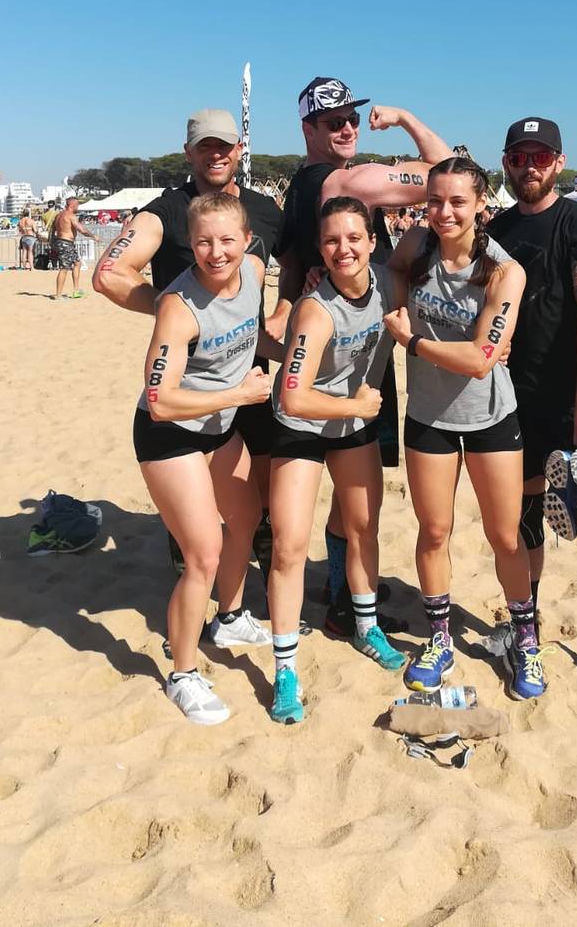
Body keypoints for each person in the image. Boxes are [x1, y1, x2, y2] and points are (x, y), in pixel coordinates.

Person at [93, 107, 287, 638]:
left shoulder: (264, 209)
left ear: (240, 149)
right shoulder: (166, 210)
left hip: (249, 375)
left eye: (225, 145)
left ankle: (237, 610)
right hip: (193, 385)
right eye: (205, 147)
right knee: (195, 537)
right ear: (189, 153)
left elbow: (291, 266)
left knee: (253, 511)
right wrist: (176, 310)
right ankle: (190, 622)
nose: (216, 154)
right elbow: (108, 274)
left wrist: (285, 313)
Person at [275, 75, 451, 634]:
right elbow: (449, 175)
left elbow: (288, 265)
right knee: (353, 491)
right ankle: (342, 598)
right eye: (334, 122)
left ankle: (340, 589)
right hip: (350, 344)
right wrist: (406, 119)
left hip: (336, 338)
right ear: (308, 129)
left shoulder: (299, 188)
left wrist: (287, 310)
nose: (349, 127)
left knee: (345, 489)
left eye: (352, 117)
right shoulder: (347, 181)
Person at [384, 157, 546, 701]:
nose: (444, 212)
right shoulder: (416, 246)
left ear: (481, 203)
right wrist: (395, 301)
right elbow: (387, 274)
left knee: (505, 535)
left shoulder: (503, 271)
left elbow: (480, 360)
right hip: (428, 415)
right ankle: (439, 639)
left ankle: (526, 640)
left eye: (457, 201)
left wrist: (412, 341)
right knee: (434, 532)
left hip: (489, 416)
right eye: (435, 201)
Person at [487, 116, 577, 704]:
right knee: (525, 518)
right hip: (513, 400)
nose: (530, 166)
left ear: (559, 162)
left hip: (575, 398)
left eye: (541, 157)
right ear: (506, 162)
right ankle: (526, 627)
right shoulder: (496, 230)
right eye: (520, 157)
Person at [135, 192, 282, 725]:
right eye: (203, 242)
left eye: (226, 240)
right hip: (170, 435)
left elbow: (251, 336)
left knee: (246, 518)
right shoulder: (178, 306)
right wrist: (238, 395)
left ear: (248, 241)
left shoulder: (255, 273)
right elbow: (160, 401)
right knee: (202, 553)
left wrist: (302, 356)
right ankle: (182, 674)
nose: (216, 252)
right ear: (189, 244)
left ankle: (230, 615)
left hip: (218, 428)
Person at [267, 197, 407, 724]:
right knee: (289, 547)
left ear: (373, 242)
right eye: (331, 240)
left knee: (363, 526)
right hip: (303, 425)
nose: (343, 249)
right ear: (319, 250)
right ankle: (285, 669)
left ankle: (366, 626)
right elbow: (292, 397)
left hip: (351, 424)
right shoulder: (315, 309)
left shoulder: (390, 285)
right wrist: (355, 406)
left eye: (353, 238)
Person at [50, 196, 94, 299]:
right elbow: (81, 229)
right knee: (64, 268)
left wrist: (52, 242)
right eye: (77, 204)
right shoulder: (70, 215)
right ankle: (58, 295)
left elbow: (52, 230)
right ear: (73, 205)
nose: (78, 207)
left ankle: (76, 290)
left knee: (77, 263)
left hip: (62, 242)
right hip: (66, 242)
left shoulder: (58, 215)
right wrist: (93, 236)